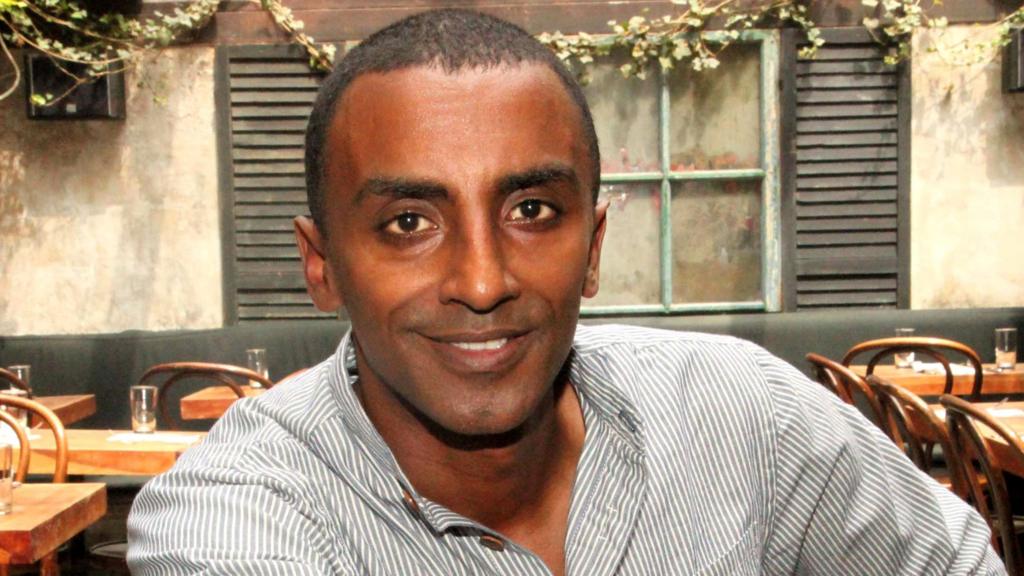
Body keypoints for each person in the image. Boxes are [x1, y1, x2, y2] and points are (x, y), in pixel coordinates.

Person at [127, 8, 1004, 575]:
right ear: (322, 266)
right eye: (408, 222)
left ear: (593, 246)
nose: (482, 282)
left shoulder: (746, 414)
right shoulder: (234, 516)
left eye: (532, 210)